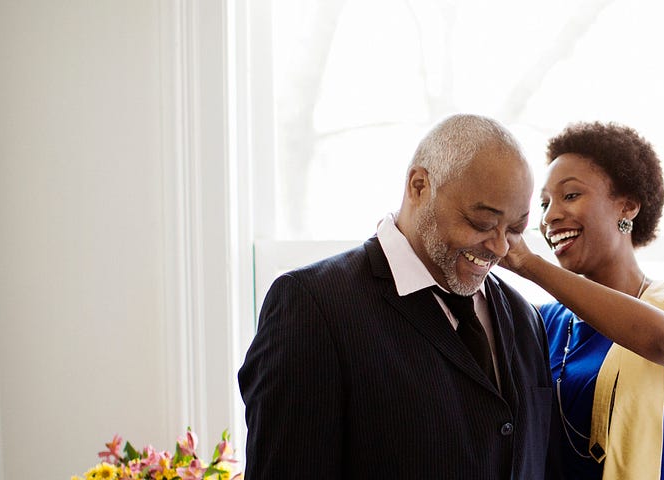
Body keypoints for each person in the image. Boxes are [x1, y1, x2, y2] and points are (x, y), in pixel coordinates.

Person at [238, 114, 559, 479]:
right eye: (482, 223)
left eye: (516, 228)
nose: (500, 246)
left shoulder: (523, 317)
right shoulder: (314, 306)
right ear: (419, 186)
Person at [499, 121, 664, 479]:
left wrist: (531, 265)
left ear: (629, 205)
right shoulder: (542, 323)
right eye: (544, 204)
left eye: (570, 195)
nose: (550, 216)